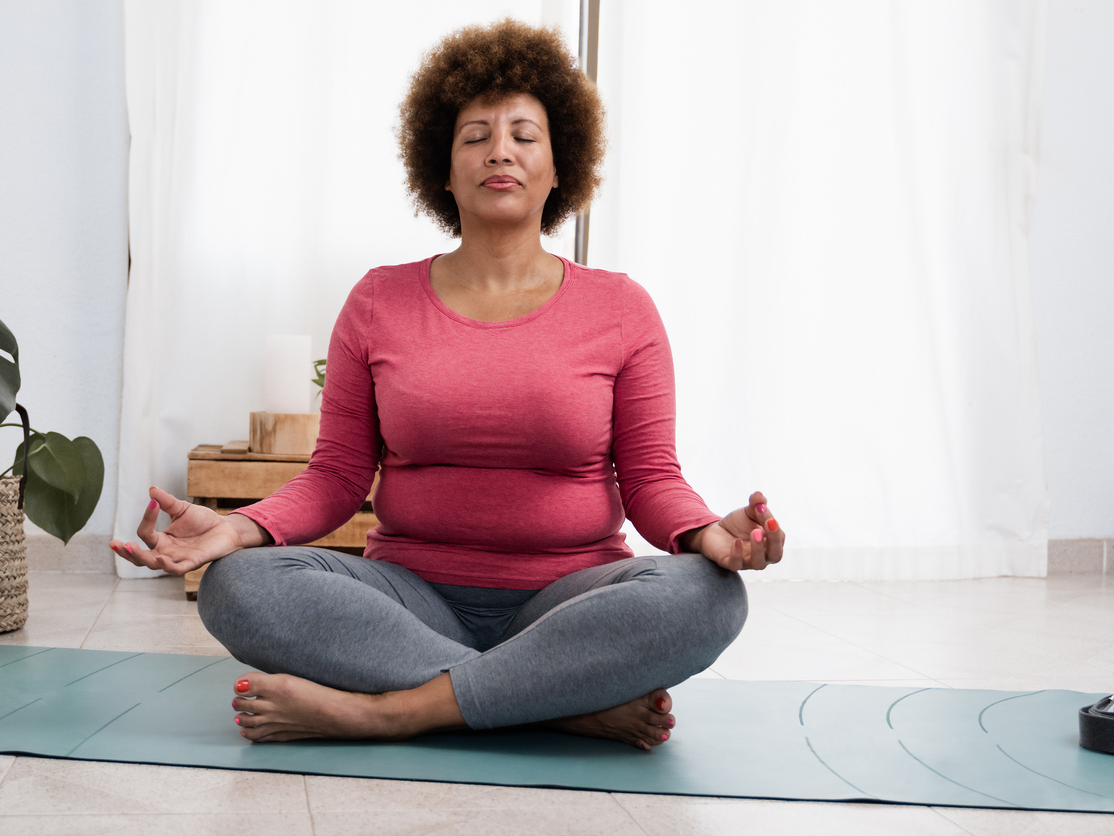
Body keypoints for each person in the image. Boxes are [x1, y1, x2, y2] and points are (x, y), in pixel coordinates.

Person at [111, 19, 784, 752]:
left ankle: (392, 711)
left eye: (525, 135)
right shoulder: (378, 301)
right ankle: (556, 703)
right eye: (476, 136)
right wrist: (238, 527)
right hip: (410, 599)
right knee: (236, 587)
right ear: (443, 166)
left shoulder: (622, 308)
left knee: (706, 598)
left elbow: (652, 479)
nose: (501, 151)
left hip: (568, 602)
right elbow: (335, 477)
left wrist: (708, 535)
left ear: (561, 167)